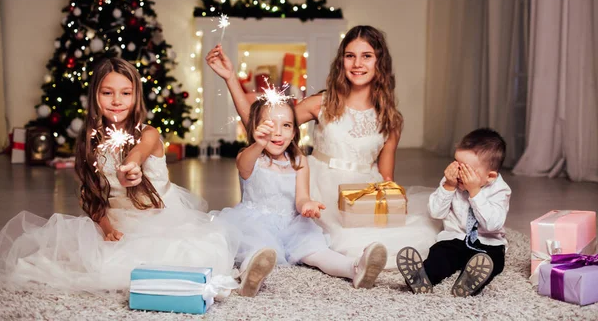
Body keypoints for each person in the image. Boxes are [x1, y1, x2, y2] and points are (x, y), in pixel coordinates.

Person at [206, 25, 441, 267]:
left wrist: (384, 209)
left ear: (380, 62)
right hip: (320, 187)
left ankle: (363, 260)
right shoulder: (322, 103)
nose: (357, 63)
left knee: (402, 235)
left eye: (367, 56)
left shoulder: (391, 119)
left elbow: (387, 177)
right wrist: (231, 79)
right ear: (342, 62)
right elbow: (263, 126)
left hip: (360, 192)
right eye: (350, 56)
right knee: (337, 240)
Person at [0, 58, 238, 291]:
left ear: (136, 97)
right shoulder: (88, 142)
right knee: (80, 265)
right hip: (116, 221)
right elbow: (90, 196)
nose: (116, 101)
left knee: (179, 259)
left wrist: (131, 167)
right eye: (107, 92)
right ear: (95, 96)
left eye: (126, 93)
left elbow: (139, 152)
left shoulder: (149, 134)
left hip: (158, 219)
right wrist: (106, 228)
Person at [215, 98, 388, 297]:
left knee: (316, 250)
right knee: (257, 248)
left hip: (291, 224)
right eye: (270, 125)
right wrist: (258, 144)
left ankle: (355, 268)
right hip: (255, 222)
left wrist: (307, 204)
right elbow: (243, 166)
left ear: (295, 131)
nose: (278, 132)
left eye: (286, 125)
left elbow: (301, 197)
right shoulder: (250, 157)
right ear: (256, 128)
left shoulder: (298, 161)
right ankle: (249, 277)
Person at [396, 128, 510, 297]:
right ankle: (422, 277)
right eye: (457, 164)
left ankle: (469, 282)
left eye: (467, 170)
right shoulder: (451, 181)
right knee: (440, 255)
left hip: (487, 242)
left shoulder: (500, 190)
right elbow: (436, 212)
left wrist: (475, 192)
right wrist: (448, 187)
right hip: (455, 237)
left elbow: (493, 224)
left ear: (490, 176)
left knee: (493, 261)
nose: (458, 173)